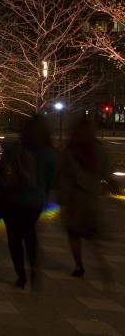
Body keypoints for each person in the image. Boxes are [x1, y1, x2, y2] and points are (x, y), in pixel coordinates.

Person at [0, 115, 58, 290]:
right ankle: (34, 267)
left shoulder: (14, 149)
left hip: (11, 199)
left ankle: (21, 274)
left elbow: (0, 170)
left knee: (14, 238)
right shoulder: (50, 153)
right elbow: (51, 179)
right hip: (34, 202)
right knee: (30, 233)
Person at [57, 118, 112, 280]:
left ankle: (79, 265)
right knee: (91, 236)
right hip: (90, 199)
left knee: (74, 234)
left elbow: (63, 176)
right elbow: (105, 171)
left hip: (75, 200)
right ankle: (101, 264)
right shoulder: (98, 149)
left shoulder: (70, 150)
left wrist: (62, 199)